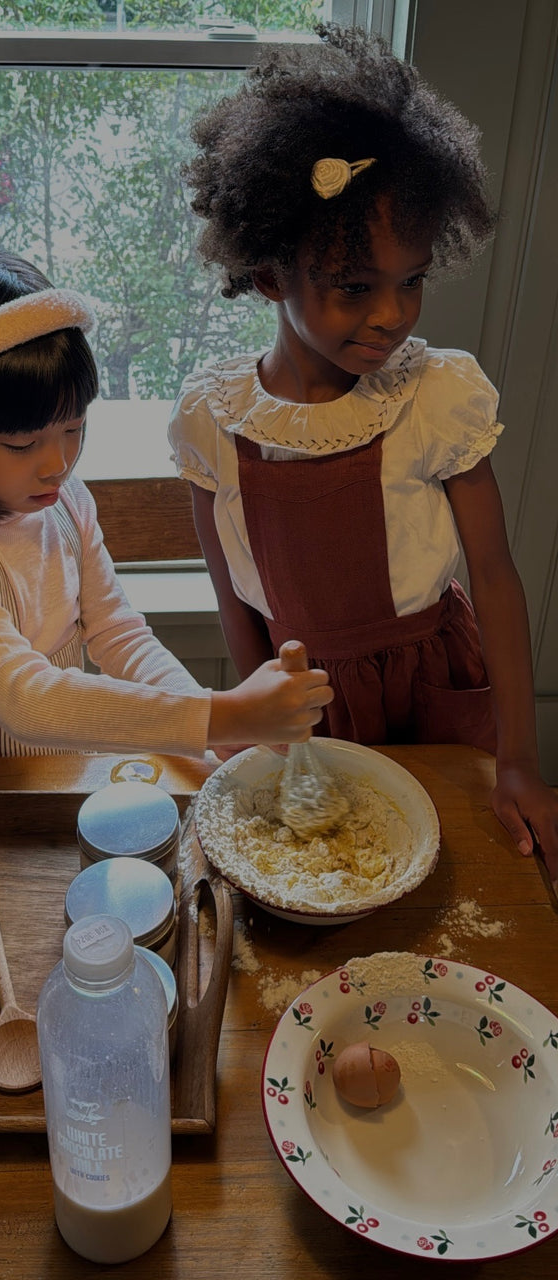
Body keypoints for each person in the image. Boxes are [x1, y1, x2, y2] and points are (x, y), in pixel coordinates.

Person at [168, 25, 558, 873]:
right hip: (306, 701)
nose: (394, 314)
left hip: (433, 691)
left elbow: (492, 575)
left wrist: (523, 760)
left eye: (411, 280)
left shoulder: (436, 397)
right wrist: (253, 727)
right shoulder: (212, 421)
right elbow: (234, 597)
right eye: (354, 287)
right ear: (271, 275)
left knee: (448, 875)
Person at [0, 247, 333, 760]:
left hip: (60, 772)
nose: (57, 463)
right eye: (21, 445)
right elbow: (26, 701)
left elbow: (119, 635)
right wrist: (224, 715)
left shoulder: (66, 503)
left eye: (74, 428)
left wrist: (216, 739)